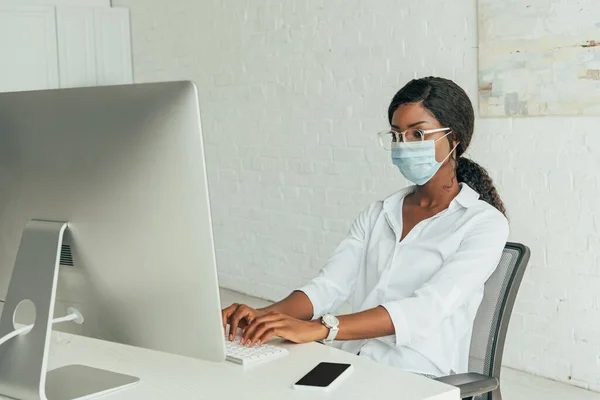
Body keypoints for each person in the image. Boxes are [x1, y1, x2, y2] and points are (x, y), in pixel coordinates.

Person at [221, 77, 509, 377]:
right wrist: (262, 316)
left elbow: (425, 310)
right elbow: (329, 286)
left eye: (418, 133)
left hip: (419, 375)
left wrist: (322, 328)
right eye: (397, 135)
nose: (405, 145)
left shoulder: (484, 225)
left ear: (455, 139)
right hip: (354, 362)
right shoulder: (379, 213)